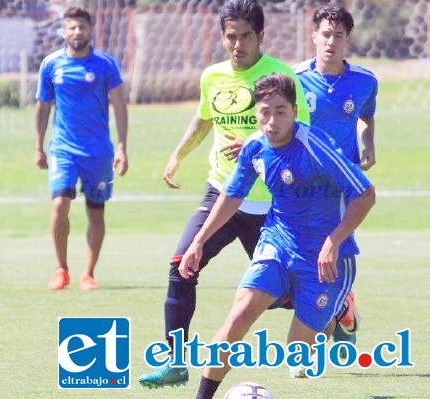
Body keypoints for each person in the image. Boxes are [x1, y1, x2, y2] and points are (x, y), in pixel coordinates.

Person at [138, 0, 309, 389]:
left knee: (287, 294)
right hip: (221, 193)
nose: (238, 44)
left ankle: (336, 308)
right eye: (231, 36)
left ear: (260, 36)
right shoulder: (212, 76)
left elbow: (301, 129)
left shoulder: (281, 76)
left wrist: (253, 141)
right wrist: (178, 155)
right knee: (182, 264)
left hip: (269, 203)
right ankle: (174, 362)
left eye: (246, 36)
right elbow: (204, 118)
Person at [180, 73, 375, 399]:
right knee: (239, 314)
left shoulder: (316, 148)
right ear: (255, 112)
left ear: (295, 111)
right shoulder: (255, 147)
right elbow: (231, 197)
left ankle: (336, 312)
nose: (272, 121)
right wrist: (198, 242)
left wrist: (334, 240)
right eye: (265, 112)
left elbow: (365, 195)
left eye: (281, 112)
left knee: (296, 351)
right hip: (278, 244)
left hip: (327, 259)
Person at [293, 5, 378, 349]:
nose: (331, 41)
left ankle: (313, 340)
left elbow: (367, 116)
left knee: (334, 252)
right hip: (302, 186)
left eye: (338, 36)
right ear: (314, 36)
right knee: (304, 258)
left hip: (343, 186)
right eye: (325, 34)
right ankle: (341, 305)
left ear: (347, 40)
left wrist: (368, 141)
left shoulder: (365, 81)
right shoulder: (294, 79)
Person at [35, 5, 128, 291]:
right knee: (60, 203)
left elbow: (120, 106)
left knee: (96, 212)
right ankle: (61, 269)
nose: (77, 32)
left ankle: (88, 274)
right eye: (71, 27)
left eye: (82, 27)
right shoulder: (51, 65)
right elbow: (42, 108)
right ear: (64, 31)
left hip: (99, 152)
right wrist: (39, 147)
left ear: (90, 30)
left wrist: (122, 147)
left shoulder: (105, 65)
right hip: (63, 149)